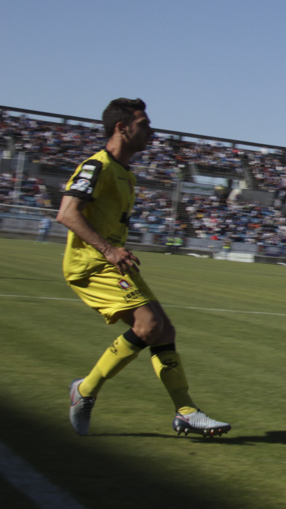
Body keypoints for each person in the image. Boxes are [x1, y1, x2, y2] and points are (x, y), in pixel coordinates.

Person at [57, 98, 230, 437]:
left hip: (112, 263)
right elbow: (66, 213)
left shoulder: (125, 173)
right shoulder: (97, 166)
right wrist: (109, 250)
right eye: (144, 124)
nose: (151, 131)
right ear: (122, 128)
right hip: (90, 265)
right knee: (149, 324)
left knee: (164, 330)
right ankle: (86, 390)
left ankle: (185, 411)